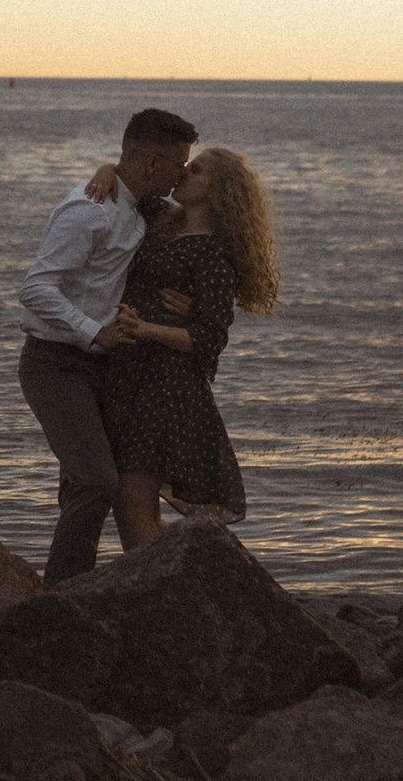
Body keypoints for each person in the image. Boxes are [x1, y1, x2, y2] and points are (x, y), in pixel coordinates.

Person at [15, 108, 198, 584]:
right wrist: (95, 332)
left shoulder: (138, 206)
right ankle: (62, 595)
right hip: (55, 364)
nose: (182, 174)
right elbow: (35, 289)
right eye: (180, 163)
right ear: (154, 161)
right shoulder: (89, 210)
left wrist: (189, 309)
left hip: (102, 369)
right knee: (97, 480)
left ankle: (68, 593)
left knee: (83, 483)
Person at [91, 146, 280, 550]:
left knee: (131, 502)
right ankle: (174, 581)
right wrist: (107, 169)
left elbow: (209, 339)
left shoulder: (214, 254)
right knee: (134, 504)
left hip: (166, 388)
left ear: (220, 190)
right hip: (128, 377)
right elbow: (130, 188)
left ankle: (154, 596)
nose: (182, 174)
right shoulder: (162, 220)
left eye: (194, 171)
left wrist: (145, 328)